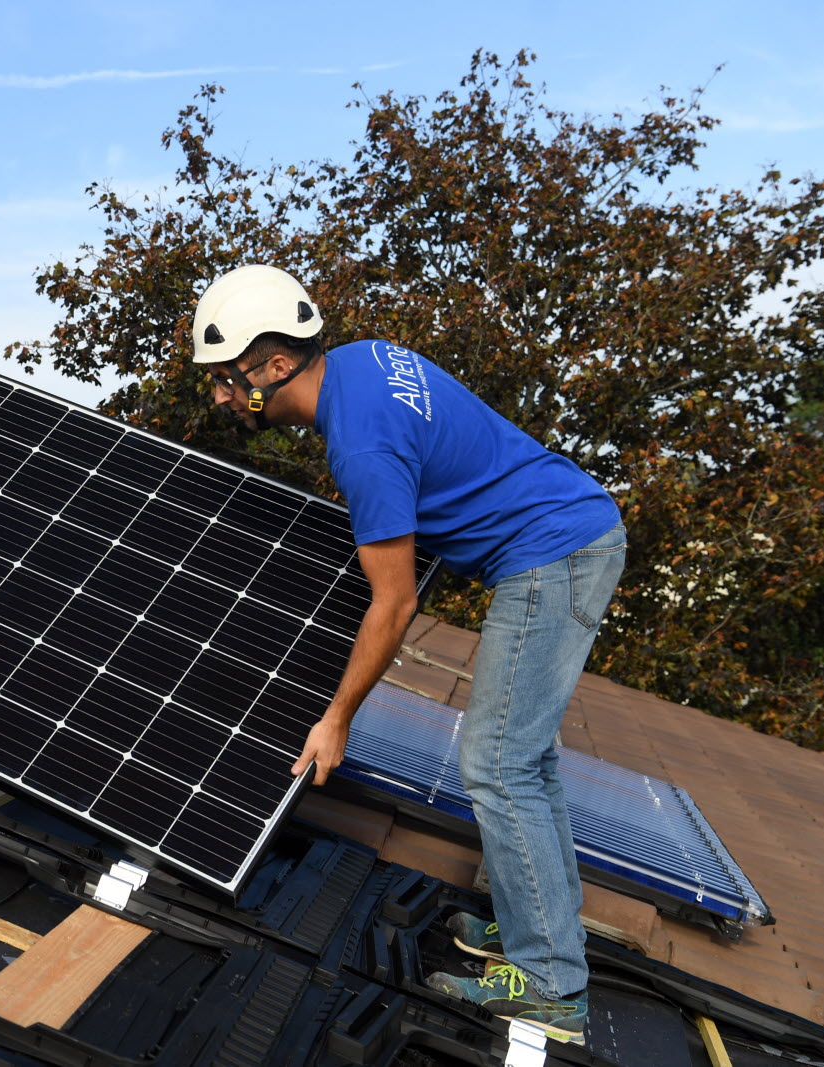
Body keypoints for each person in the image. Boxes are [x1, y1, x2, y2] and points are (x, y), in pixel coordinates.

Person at [191, 264, 625, 1046]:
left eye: (226, 380)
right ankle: (541, 935)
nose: (221, 397)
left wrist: (336, 718)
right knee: (528, 761)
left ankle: (551, 985)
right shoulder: (364, 359)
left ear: (275, 366)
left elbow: (394, 605)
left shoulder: (361, 444)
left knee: (495, 761)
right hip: (572, 531)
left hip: (554, 553)